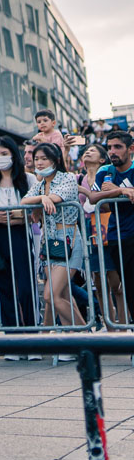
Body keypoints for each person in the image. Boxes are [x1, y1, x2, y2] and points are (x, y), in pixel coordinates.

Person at [0, 135, 38, 354]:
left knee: (25, 287)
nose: (0, 158)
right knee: (3, 287)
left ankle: (32, 340)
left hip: (21, 235)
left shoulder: (28, 180)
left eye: (4, 153)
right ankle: (12, 341)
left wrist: (17, 216)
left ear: (14, 154)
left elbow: (34, 213)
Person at [23, 142, 83, 351]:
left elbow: (58, 198)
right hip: (50, 244)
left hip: (69, 240)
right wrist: (42, 197)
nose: (39, 162)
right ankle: (73, 344)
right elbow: (24, 200)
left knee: (50, 295)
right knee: (63, 295)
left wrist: (46, 198)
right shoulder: (40, 184)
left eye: (44, 159)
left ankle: (86, 336)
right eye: (36, 158)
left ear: (55, 160)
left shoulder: (67, 178)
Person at [78, 142, 122, 323]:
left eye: (93, 151)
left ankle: (123, 324)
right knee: (97, 280)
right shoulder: (78, 178)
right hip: (88, 230)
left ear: (102, 159)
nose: (88, 152)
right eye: (86, 151)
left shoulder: (108, 175)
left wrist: (89, 195)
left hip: (108, 226)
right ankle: (109, 324)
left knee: (115, 282)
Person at [92, 131, 134, 321]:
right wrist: (122, 191)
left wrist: (115, 192)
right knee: (129, 288)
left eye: (117, 147)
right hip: (117, 236)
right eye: (109, 147)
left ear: (130, 149)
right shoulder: (105, 171)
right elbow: (94, 199)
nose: (112, 152)